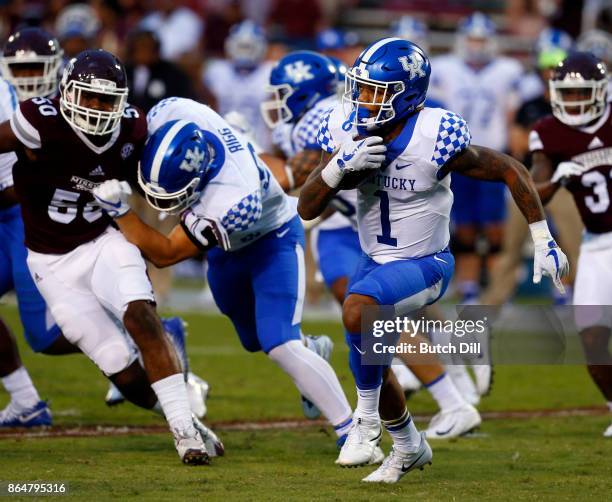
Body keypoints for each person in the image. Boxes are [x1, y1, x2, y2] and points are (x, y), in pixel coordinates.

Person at [298, 37, 569, 483]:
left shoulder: (433, 136)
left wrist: (541, 236)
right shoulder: (346, 129)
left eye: (374, 91)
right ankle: (407, 446)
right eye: (360, 89)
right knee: (371, 358)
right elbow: (307, 207)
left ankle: (364, 425)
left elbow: (508, 168)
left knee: (357, 310)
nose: (363, 100)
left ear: (405, 94)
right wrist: (338, 168)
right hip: (375, 261)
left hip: (428, 264)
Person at [91, 97, 362, 453]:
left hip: (271, 239)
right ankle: (314, 350)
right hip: (225, 250)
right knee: (252, 340)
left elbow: (165, 254)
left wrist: (122, 212)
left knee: (279, 342)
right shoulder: (170, 111)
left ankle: (352, 431)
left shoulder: (235, 200)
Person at [0, 49, 221, 464]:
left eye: (108, 100)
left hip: (104, 239)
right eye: (90, 98)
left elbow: (162, 175)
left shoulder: (133, 129)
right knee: (119, 367)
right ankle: (185, 417)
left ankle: (185, 435)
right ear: (67, 94)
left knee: (139, 313)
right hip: (50, 261)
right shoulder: (38, 121)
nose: (99, 108)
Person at [529, 51, 612, 438]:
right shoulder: (549, 132)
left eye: (582, 93)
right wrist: (557, 177)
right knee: (592, 337)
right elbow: (535, 192)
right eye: (568, 93)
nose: (575, 101)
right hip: (596, 244)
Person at [429, 12, 524, 303]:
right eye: (472, 38)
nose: (477, 45)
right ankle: (468, 286)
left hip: (493, 154)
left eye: (482, 39)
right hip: (458, 155)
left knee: (496, 227)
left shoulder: (508, 69)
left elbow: (512, 115)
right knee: (464, 226)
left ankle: (496, 288)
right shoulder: (445, 68)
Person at [204, 20, 274, 151]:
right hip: (223, 145)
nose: (244, 52)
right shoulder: (217, 70)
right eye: (241, 47)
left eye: (248, 47)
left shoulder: (269, 71)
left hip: (260, 148)